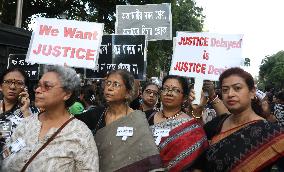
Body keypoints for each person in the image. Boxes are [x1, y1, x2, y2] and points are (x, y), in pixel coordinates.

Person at [2, 65, 99, 171]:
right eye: (38, 85)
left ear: (67, 94)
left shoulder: (80, 134)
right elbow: (5, 156)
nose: (38, 90)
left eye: (47, 86)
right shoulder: (26, 123)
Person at [193, 67, 284, 171]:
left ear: (252, 92)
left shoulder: (271, 133)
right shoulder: (219, 123)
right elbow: (196, 140)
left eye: (237, 88)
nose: (230, 94)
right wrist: (197, 110)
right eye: (225, 90)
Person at [78, 69, 162, 172]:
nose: (109, 88)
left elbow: (149, 160)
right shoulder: (95, 115)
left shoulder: (138, 120)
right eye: (108, 83)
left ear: (127, 93)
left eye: (116, 84)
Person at [149, 75, 209, 171]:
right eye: (165, 89)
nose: (169, 93)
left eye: (176, 90)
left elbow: (198, 164)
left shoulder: (190, 125)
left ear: (184, 97)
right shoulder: (147, 117)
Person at [0, 67, 39, 152]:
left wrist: (25, 111)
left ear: (25, 88)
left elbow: (35, 138)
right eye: (8, 82)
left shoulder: (34, 111)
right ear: (1, 86)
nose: (12, 87)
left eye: (19, 83)